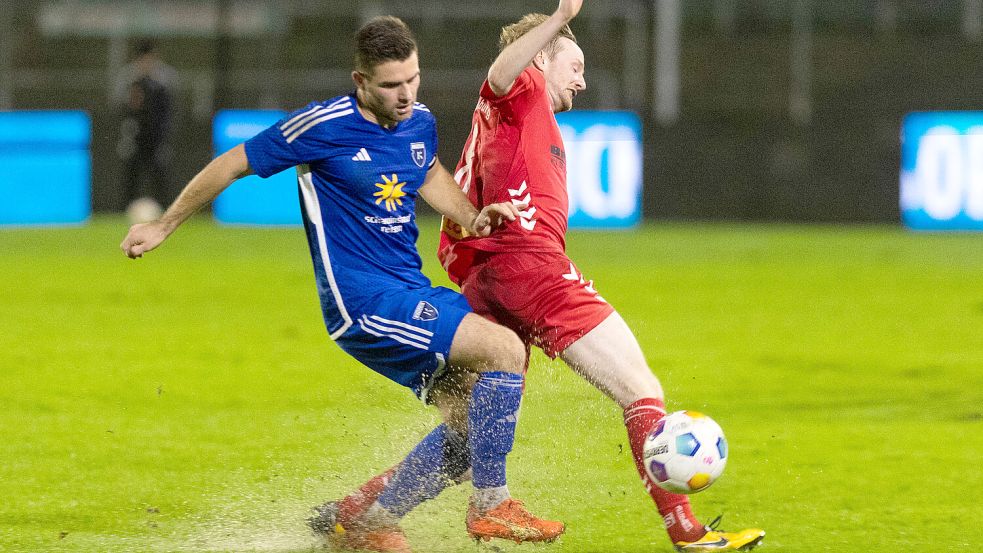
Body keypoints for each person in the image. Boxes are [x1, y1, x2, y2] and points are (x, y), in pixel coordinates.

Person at [329, 2, 767, 551]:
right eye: (575, 65)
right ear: (542, 58)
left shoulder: (523, 125)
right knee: (641, 390)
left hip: (488, 274)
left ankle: (362, 511)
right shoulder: (523, 93)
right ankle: (687, 532)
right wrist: (558, 19)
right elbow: (499, 75)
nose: (582, 80)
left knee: (476, 431)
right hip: (528, 268)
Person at [120, 16, 563, 553]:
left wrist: (471, 217)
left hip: (410, 290)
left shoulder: (418, 121)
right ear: (361, 81)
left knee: (474, 427)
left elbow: (428, 174)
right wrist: (164, 224)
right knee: (504, 350)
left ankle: (360, 524)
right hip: (363, 303)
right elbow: (233, 163)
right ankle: (491, 506)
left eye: (412, 79)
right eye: (390, 85)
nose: (405, 95)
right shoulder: (321, 126)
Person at [113, 39, 178, 222]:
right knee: (131, 175)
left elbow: (169, 109)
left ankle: (168, 212)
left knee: (160, 175)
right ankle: (125, 210)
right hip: (135, 136)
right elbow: (119, 107)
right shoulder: (128, 78)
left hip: (156, 137)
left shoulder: (164, 78)